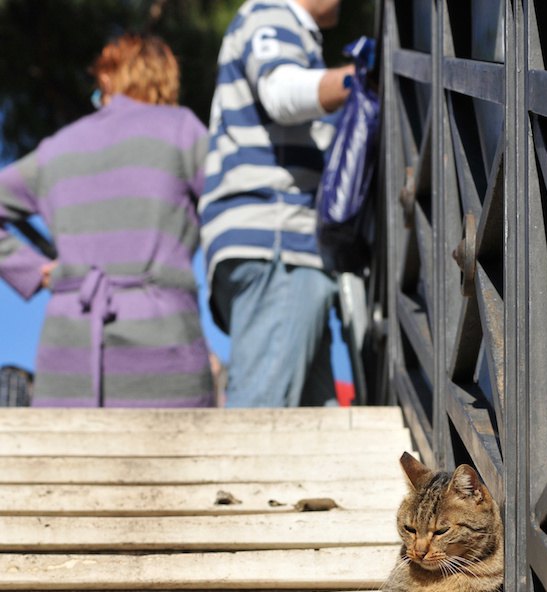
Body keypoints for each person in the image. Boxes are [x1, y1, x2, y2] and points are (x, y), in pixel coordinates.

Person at [0, 34, 215, 407]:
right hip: (163, 349)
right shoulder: (182, 130)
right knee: (177, 462)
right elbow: (229, 200)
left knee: (67, 463)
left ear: (108, 78)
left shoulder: (56, 148)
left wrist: (35, 271)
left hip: (69, 352)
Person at [199, 0, 354, 407]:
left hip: (276, 243)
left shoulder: (282, 27)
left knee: (312, 430)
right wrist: (360, 79)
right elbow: (282, 92)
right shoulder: (269, 14)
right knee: (259, 422)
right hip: (277, 241)